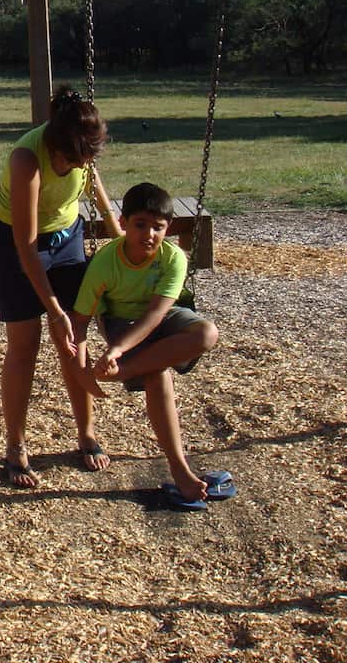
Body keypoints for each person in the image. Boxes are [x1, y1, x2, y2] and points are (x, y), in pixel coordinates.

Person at [0, 86, 114, 487]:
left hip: (66, 237)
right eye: (71, 161)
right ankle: (16, 444)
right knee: (25, 345)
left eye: (85, 160)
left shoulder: (81, 152)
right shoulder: (28, 159)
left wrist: (118, 232)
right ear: (55, 147)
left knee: (74, 342)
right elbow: (25, 248)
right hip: (16, 243)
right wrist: (55, 311)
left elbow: (96, 189)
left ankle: (87, 432)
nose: (78, 166)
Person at [73, 182, 222, 508]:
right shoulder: (104, 264)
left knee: (207, 333)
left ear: (168, 229)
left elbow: (156, 315)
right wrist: (82, 368)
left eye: (158, 227)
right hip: (121, 321)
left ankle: (119, 373)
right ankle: (180, 470)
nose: (150, 234)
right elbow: (80, 320)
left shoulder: (173, 258)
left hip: (161, 318)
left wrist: (116, 354)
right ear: (124, 223)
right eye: (140, 225)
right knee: (158, 376)